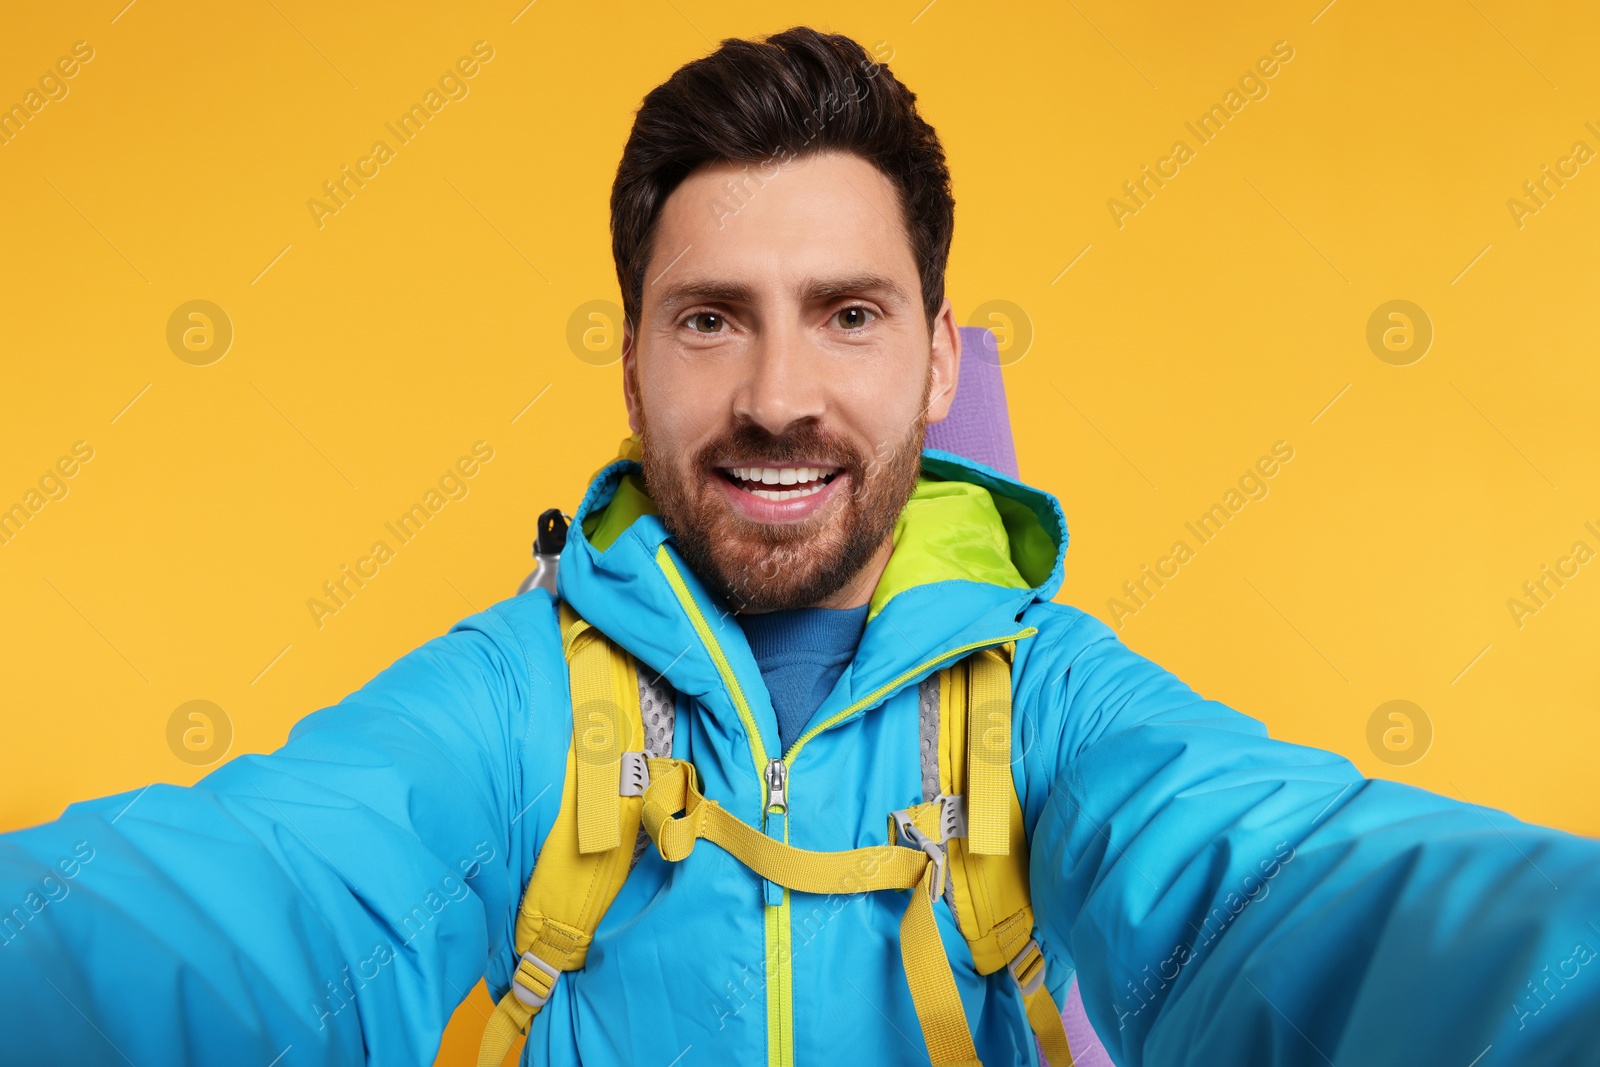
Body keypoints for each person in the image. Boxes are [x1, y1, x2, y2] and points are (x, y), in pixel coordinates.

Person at [3, 24, 1597, 1067]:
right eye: (711, 321)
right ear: (631, 363)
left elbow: (1291, 894)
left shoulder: (1053, 708)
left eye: (847, 315)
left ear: (936, 356)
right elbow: (251, 897)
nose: (778, 399)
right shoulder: (517, 711)